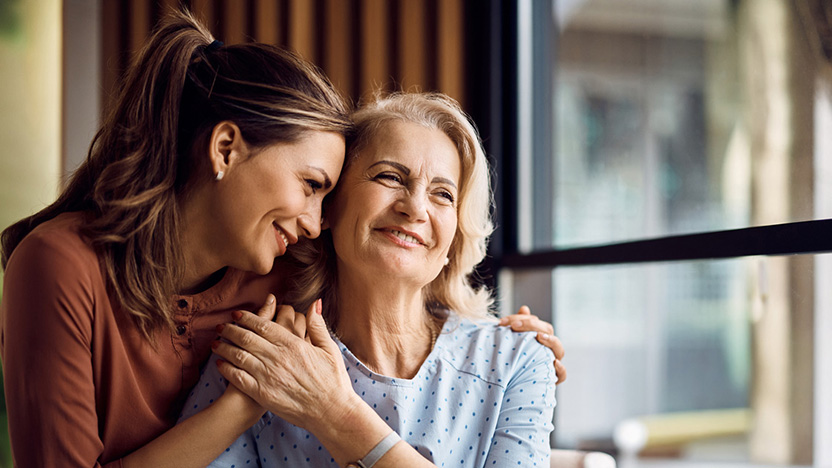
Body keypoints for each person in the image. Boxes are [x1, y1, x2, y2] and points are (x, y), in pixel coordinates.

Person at [0, 11, 563, 468]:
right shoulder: (63, 266)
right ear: (225, 149)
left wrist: (514, 344)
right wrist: (243, 406)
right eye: (313, 186)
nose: (315, 223)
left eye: (444, 194)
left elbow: (395, 275)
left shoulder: (281, 274)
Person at [181, 93, 557, 467]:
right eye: (390, 176)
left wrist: (334, 412)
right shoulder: (261, 352)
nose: (415, 208)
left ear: (453, 241)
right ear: (329, 207)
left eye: (442, 194)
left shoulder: (516, 362)